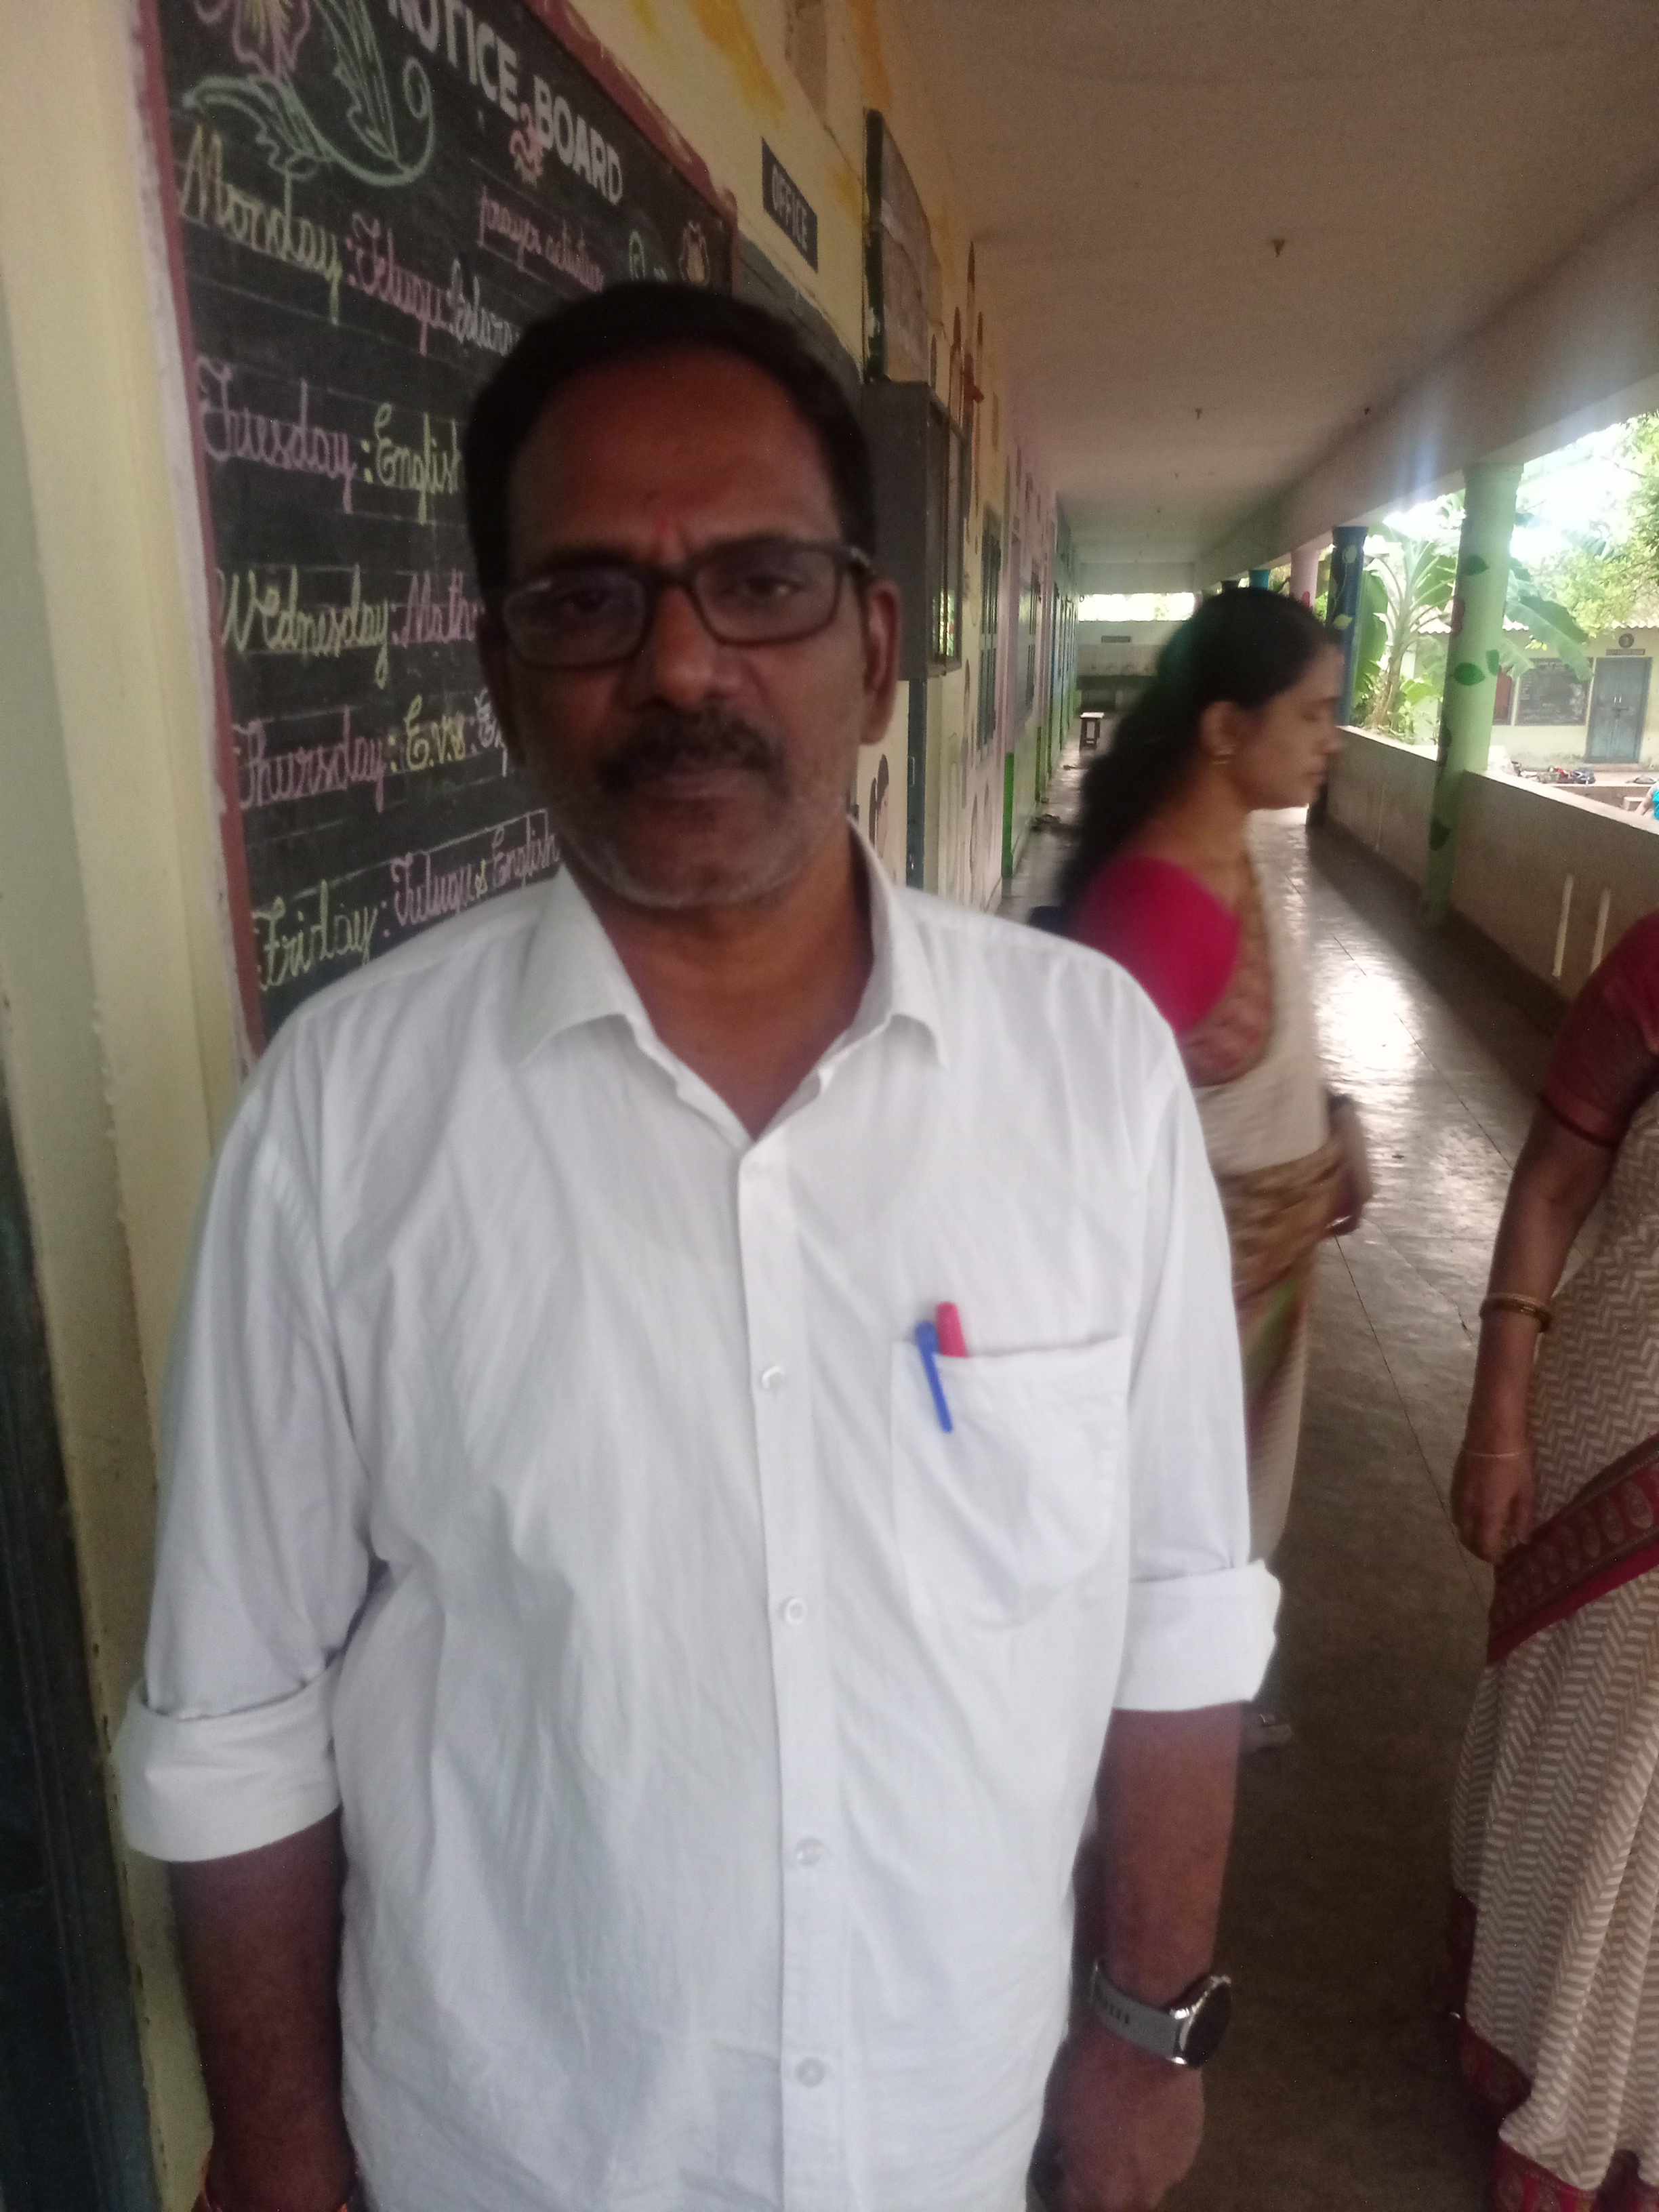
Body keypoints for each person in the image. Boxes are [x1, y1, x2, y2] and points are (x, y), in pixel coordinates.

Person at [115, 285, 1277, 2212]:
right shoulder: (342, 1118)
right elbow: (235, 1715)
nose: (680, 664)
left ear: (875, 646)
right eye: (589, 600)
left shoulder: (1087, 1072)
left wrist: (1147, 2031)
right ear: (500, 674)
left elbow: (1177, 1604)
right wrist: (285, 2154)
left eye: (760, 583)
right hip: (508, 2158)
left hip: (951, 2133)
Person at [1058, 592, 1368, 1578]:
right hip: (1174, 1335)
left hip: (1244, 1303)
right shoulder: (1159, 911)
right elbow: (1080, 1174)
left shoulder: (1227, 858)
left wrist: (1333, 1116)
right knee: (1161, 1548)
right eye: (1312, 714)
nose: (1331, 740)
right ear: (1227, 729)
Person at [1449, 911, 1659, 2211]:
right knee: (1608, 1778)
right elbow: (1549, 1187)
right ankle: (1562, 2075)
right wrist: (1499, 1418)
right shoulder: (1657, 965)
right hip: (1626, 1452)